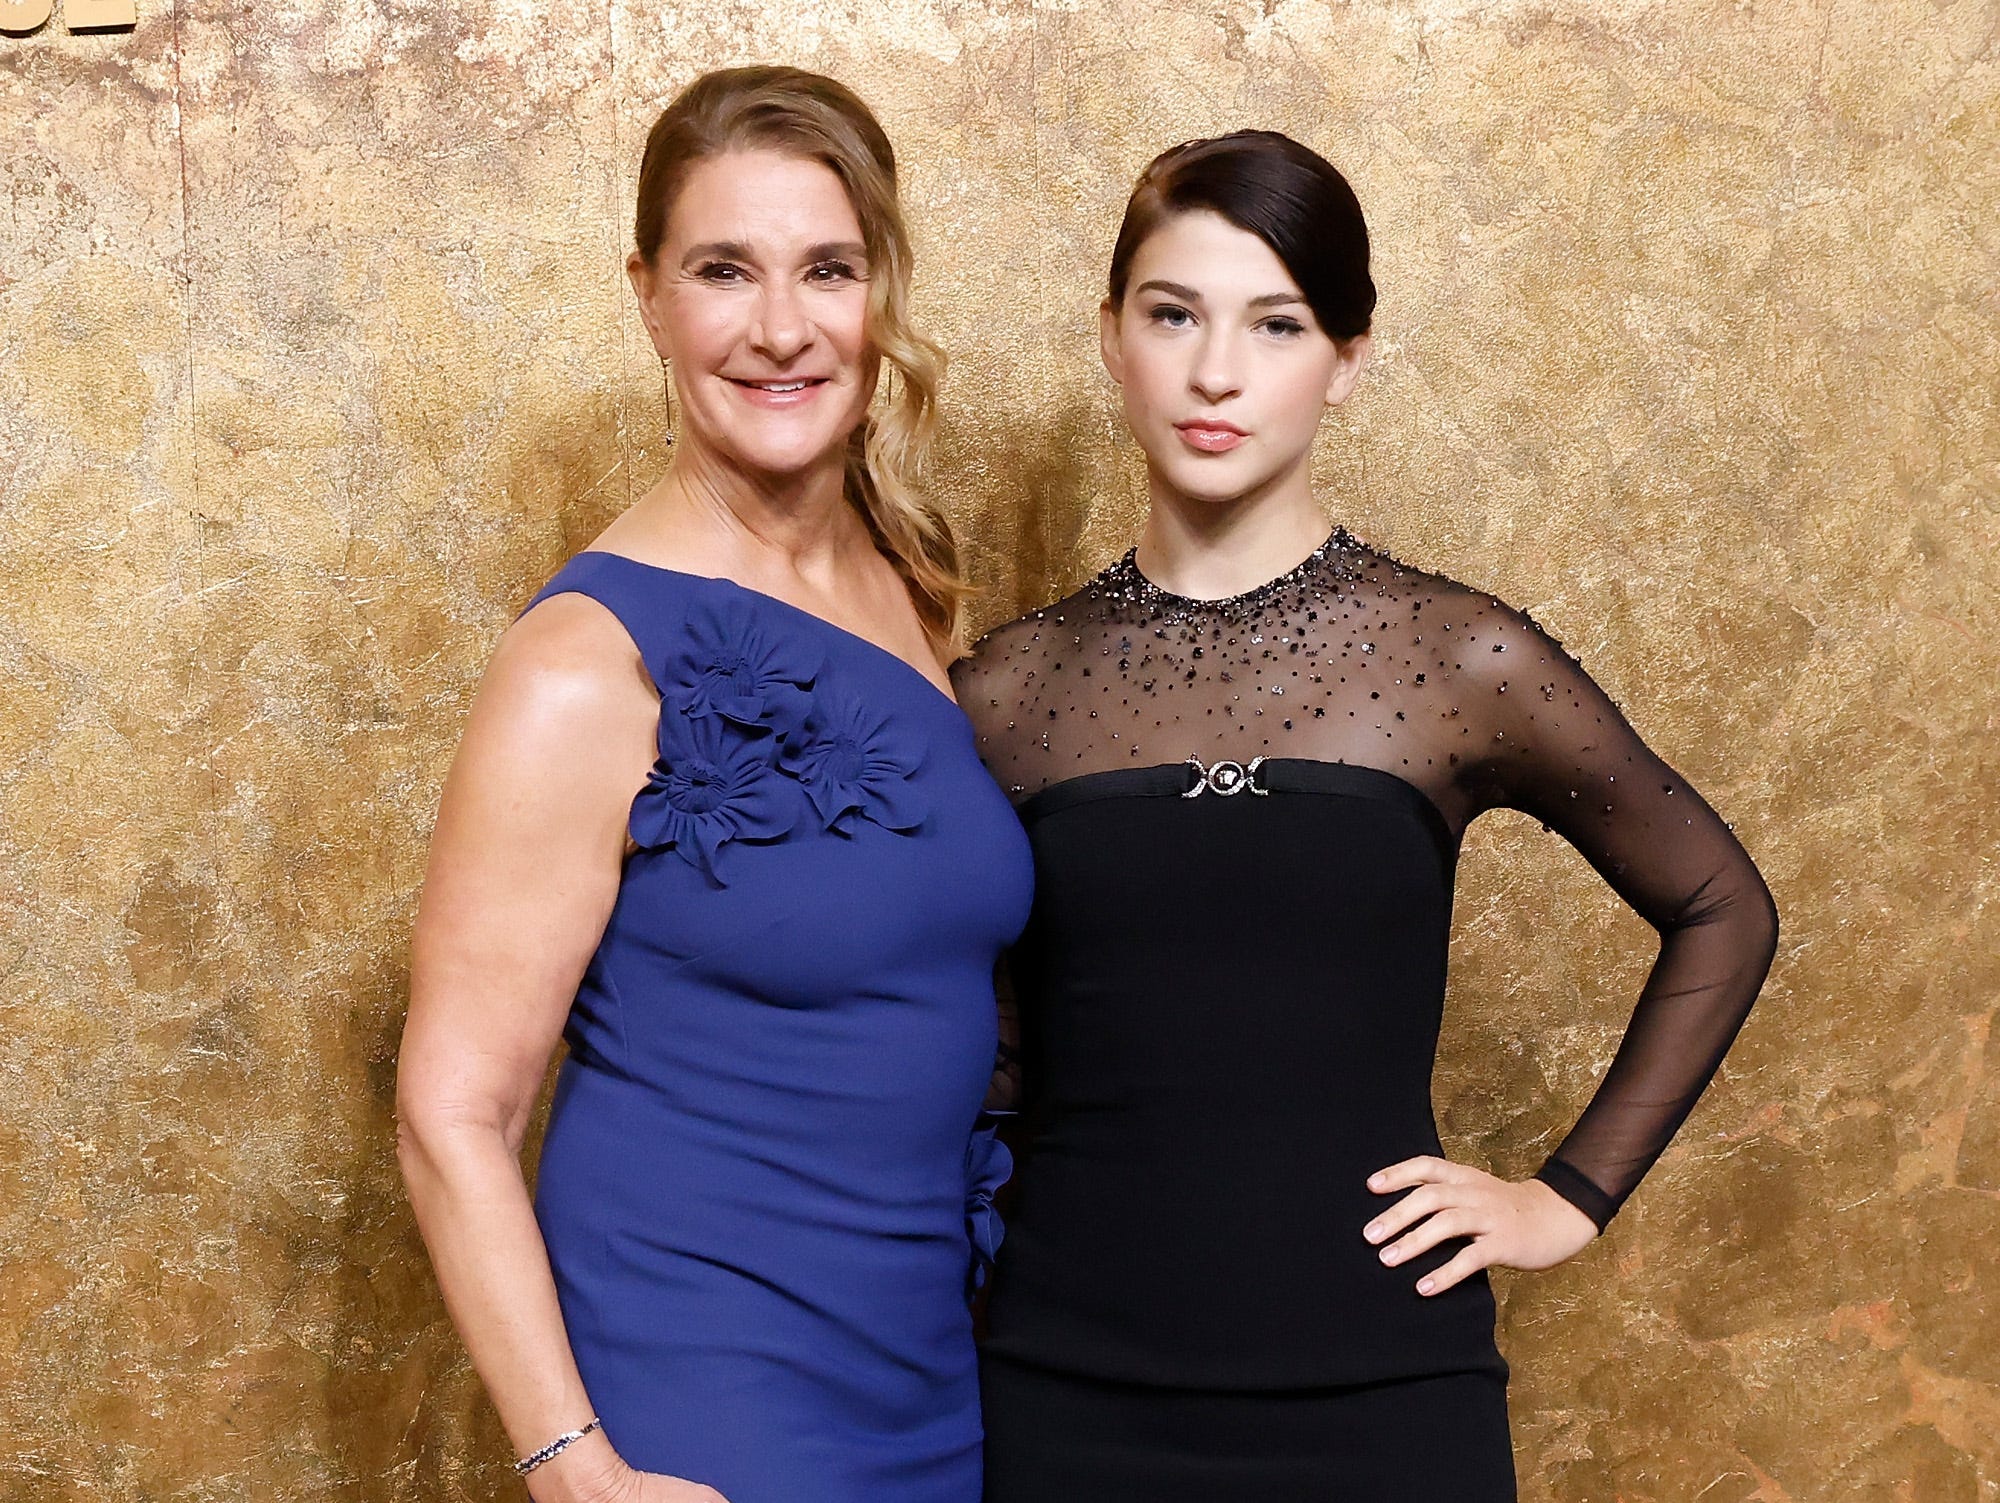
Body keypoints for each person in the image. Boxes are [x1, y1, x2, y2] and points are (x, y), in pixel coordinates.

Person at [953, 131, 1780, 1501]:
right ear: (1112, 340)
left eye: (1276, 324)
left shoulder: (1458, 659)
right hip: (1059, 1391)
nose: (1217, 371)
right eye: (1174, 315)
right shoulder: (1007, 687)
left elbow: (1722, 907)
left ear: (1348, 356)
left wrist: (1566, 1198)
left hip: (1388, 1400)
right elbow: (976, 1054)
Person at [396, 66, 1033, 1503]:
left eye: (827, 268)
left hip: (930, 1369)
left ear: (881, 290)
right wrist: (574, 1468)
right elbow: (455, 1110)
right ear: (648, 296)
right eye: (722, 271)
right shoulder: (586, 663)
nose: (782, 328)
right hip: (706, 1396)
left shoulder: (901, 581)